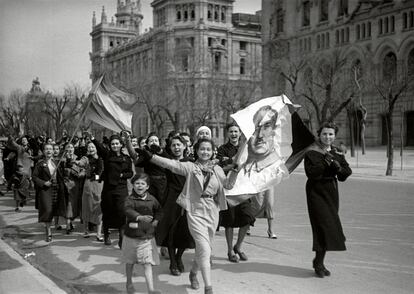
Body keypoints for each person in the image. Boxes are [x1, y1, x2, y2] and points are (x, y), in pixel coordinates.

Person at [137, 138, 227, 294]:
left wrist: (237, 171)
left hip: (212, 211)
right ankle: (208, 288)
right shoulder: (190, 167)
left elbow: (229, 185)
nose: (205, 152)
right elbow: (171, 165)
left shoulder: (217, 169)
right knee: (205, 248)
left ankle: (193, 272)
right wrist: (151, 157)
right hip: (195, 210)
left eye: (208, 149)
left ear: (213, 152)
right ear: (196, 151)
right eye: (202, 149)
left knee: (203, 248)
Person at [304, 122, 352, 278]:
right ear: (319, 134)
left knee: (329, 227)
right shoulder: (312, 152)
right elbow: (311, 173)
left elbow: (346, 173)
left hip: (331, 193)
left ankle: (319, 261)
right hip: (316, 193)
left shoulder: (337, 152)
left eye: (331, 134)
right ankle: (318, 263)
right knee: (321, 226)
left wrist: (338, 168)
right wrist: (325, 163)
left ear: (335, 136)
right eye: (324, 134)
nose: (327, 137)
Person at [154, 135, 195, 276]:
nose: (176, 148)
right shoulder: (168, 162)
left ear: (184, 146)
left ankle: (179, 257)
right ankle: (172, 261)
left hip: (187, 199)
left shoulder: (191, 163)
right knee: (171, 231)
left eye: (179, 145)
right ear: (170, 148)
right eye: (173, 145)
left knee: (185, 231)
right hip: (171, 199)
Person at [217, 123, 255, 263]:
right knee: (229, 222)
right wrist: (233, 163)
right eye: (231, 131)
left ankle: (238, 246)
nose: (233, 134)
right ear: (227, 133)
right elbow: (221, 167)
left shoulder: (246, 148)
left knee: (248, 218)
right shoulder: (222, 150)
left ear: (240, 133)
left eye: (236, 131)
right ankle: (229, 251)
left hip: (244, 189)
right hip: (229, 190)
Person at [122, 173, 163, 294]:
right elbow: (127, 210)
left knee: (147, 263)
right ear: (133, 185)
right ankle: (129, 283)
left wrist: (156, 220)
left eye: (142, 184)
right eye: (137, 183)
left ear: (147, 187)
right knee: (130, 262)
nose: (139, 186)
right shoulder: (129, 199)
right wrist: (139, 217)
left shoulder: (152, 199)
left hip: (146, 238)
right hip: (131, 236)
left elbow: (160, 211)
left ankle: (151, 289)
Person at [93, 134, 133, 247]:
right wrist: (93, 139)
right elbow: (100, 148)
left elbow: (130, 173)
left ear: (121, 145)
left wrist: (121, 175)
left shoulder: (126, 158)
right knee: (107, 211)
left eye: (117, 143)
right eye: (112, 144)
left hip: (121, 189)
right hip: (109, 189)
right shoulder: (107, 155)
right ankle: (106, 234)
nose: (115, 145)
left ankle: (121, 237)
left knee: (121, 212)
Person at [32, 143, 60, 242]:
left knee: (55, 210)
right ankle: (48, 231)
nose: (49, 151)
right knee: (47, 210)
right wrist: (44, 183)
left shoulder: (57, 162)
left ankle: (55, 225)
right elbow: (34, 177)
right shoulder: (40, 164)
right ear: (44, 151)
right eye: (46, 149)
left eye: (50, 149)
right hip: (45, 190)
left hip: (56, 188)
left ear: (53, 151)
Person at [79, 142, 104, 241]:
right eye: (89, 147)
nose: (91, 148)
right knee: (86, 206)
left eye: (93, 146)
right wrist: (76, 162)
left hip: (98, 184)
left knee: (99, 207)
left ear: (96, 148)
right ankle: (85, 230)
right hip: (88, 184)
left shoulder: (101, 159)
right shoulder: (86, 158)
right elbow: (81, 163)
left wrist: (96, 176)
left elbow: (101, 172)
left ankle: (98, 233)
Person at [60, 142, 85, 234]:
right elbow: (60, 172)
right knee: (68, 204)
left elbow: (83, 170)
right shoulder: (62, 160)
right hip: (65, 185)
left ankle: (70, 222)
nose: (70, 149)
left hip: (75, 185)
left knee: (73, 204)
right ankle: (68, 224)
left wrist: (80, 173)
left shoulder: (78, 159)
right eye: (68, 147)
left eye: (71, 147)